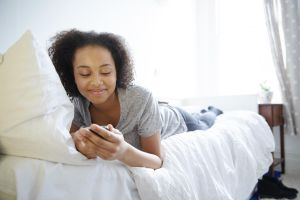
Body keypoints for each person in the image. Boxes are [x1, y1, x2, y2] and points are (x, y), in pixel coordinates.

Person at [48, 29, 223, 170]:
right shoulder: (79, 102)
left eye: (106, 72)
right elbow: (71, 138)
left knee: (205, 122)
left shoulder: (141, 98)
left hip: (177, 119)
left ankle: (211, 110)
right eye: (85, 74)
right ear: (72, 75)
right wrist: (78, 141)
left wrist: (123, 151)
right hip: (155, 111)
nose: (96, 82)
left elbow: (157, 161)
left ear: (118, 72)